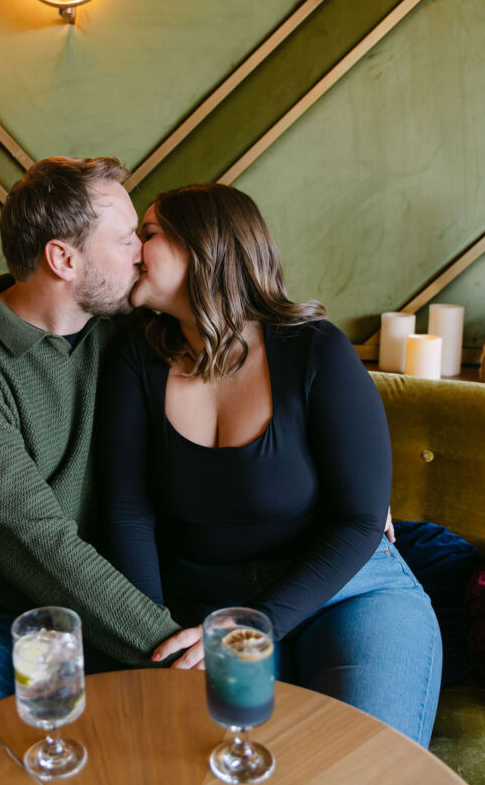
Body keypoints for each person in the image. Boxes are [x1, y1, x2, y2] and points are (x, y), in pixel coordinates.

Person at [97, 182, 442, 747]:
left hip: (348, 590)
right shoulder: (136, 358)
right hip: (206, 608)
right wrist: (151, 638)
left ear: (203, 246)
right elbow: (127, 512)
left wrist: (256, 624)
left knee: (368, 771)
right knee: (226, 770)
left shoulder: (315, 349)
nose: (133, 247)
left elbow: (359, 520)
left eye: (149, 233)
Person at [0, 156, 180, 758]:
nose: (142, 254)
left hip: (102, 597)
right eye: (127, 238)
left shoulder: (131, 329)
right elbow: (33, 537)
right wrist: (169, 645)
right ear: (63, 259)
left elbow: (253, 344)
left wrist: (345, 475)